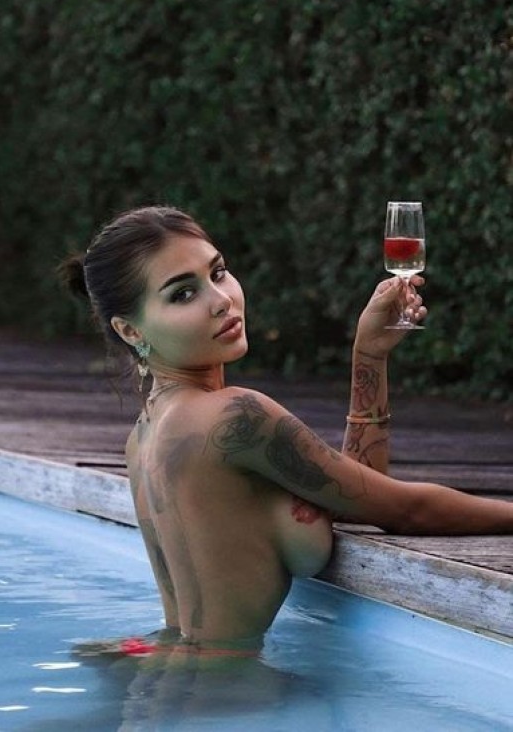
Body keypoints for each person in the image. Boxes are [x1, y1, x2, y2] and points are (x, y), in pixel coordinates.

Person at [60, 205, 513, 658]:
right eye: (183, 294)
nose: (221, 300)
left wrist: (370, 355)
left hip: (181, 680)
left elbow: (357, 494)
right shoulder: (235, 417)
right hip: (225, 694)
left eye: (218, 273)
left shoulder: (143, 436)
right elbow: (406, 510)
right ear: (130, 330)